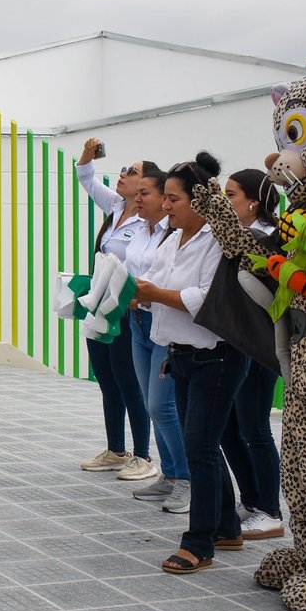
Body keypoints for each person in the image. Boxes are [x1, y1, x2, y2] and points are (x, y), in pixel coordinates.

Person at [134, 153, 249, 575]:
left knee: (198, 447)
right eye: (164, 197)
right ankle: (226, 527)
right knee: (202, 445)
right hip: (180, 355)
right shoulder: (172, 238)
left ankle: (198, 542)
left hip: (215, 357)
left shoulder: (220, 242)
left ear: (200, 201)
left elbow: (204, 298)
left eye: (174, 198)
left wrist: (152, 294)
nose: (166, 205)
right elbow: (156, 285)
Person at [74, 138, 155, 482]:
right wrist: (88, 154)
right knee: (107, 380)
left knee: (128, 381)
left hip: (126, 309)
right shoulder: (116, 208)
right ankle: (115, 450)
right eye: (122, 170)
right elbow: (87, 178)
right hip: (99, 305)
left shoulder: (151, 221)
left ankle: (143, 456)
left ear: (147, 185)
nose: (122, 175)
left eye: (131, 172)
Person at [220, 168, 285, 541]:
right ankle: (253, 499)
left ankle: (271, 511)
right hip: (236, 342)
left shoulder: (264, 239)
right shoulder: (241, 236)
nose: (226, 203)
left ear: (253, 202)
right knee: (230, 428)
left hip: (260, 344)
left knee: (255, 428)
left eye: (231, 196)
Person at [122, 163, 189, 509]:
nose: (137, 198)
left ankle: (187, 479)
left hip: (161, 322)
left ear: (165, 196)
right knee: (152, 404)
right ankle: (171, 474)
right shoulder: (141, 229)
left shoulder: (173, 232)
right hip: (137, 320)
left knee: (163, 406)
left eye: (144, 192)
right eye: (137, 193)